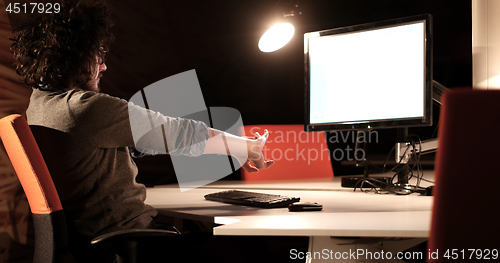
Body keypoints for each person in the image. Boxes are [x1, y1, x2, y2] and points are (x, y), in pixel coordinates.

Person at [9, 0, 275, 261]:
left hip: (98, 245)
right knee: (259, 249)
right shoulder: (84, 108)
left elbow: (141, 140)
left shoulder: (39, 104)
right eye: (98, 55)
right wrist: (246, 147)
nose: (103, 66)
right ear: (77, 57)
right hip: (128, 245)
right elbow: (178, 133)